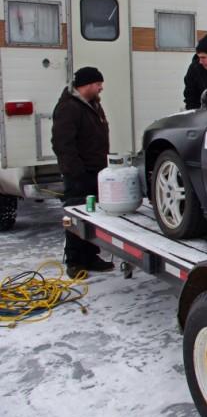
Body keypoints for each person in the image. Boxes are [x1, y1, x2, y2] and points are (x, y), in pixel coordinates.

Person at [51, 66, 114, 276]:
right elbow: (63, 144)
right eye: (98, 84)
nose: (101, 88)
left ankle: (91, 256)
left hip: (96, 171)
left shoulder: (92, 105)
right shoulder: (69, 108)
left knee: (93, 216)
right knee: (76, 217)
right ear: (86, 85)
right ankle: (75, 261)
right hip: (79, 174)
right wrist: (75, 172)